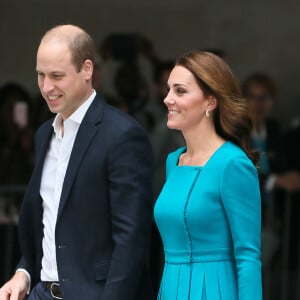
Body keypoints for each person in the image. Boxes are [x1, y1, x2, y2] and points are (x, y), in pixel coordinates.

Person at [0, 24, 154, 300]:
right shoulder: (43, 133)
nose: (47, 87)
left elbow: (131, 239)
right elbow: (47, 222)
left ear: (87, 70)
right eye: (40, 75)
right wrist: (23, 272)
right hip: (40, 293)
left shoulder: (123, 134)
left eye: (57, 76)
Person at [154, 50, 262, 299]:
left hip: (215, 290)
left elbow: (248, 256)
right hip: (170, 287)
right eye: (168, 89)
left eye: (180, 91)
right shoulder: (174, 161)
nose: (168, 99)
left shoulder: (233, 164)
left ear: (210, 102)